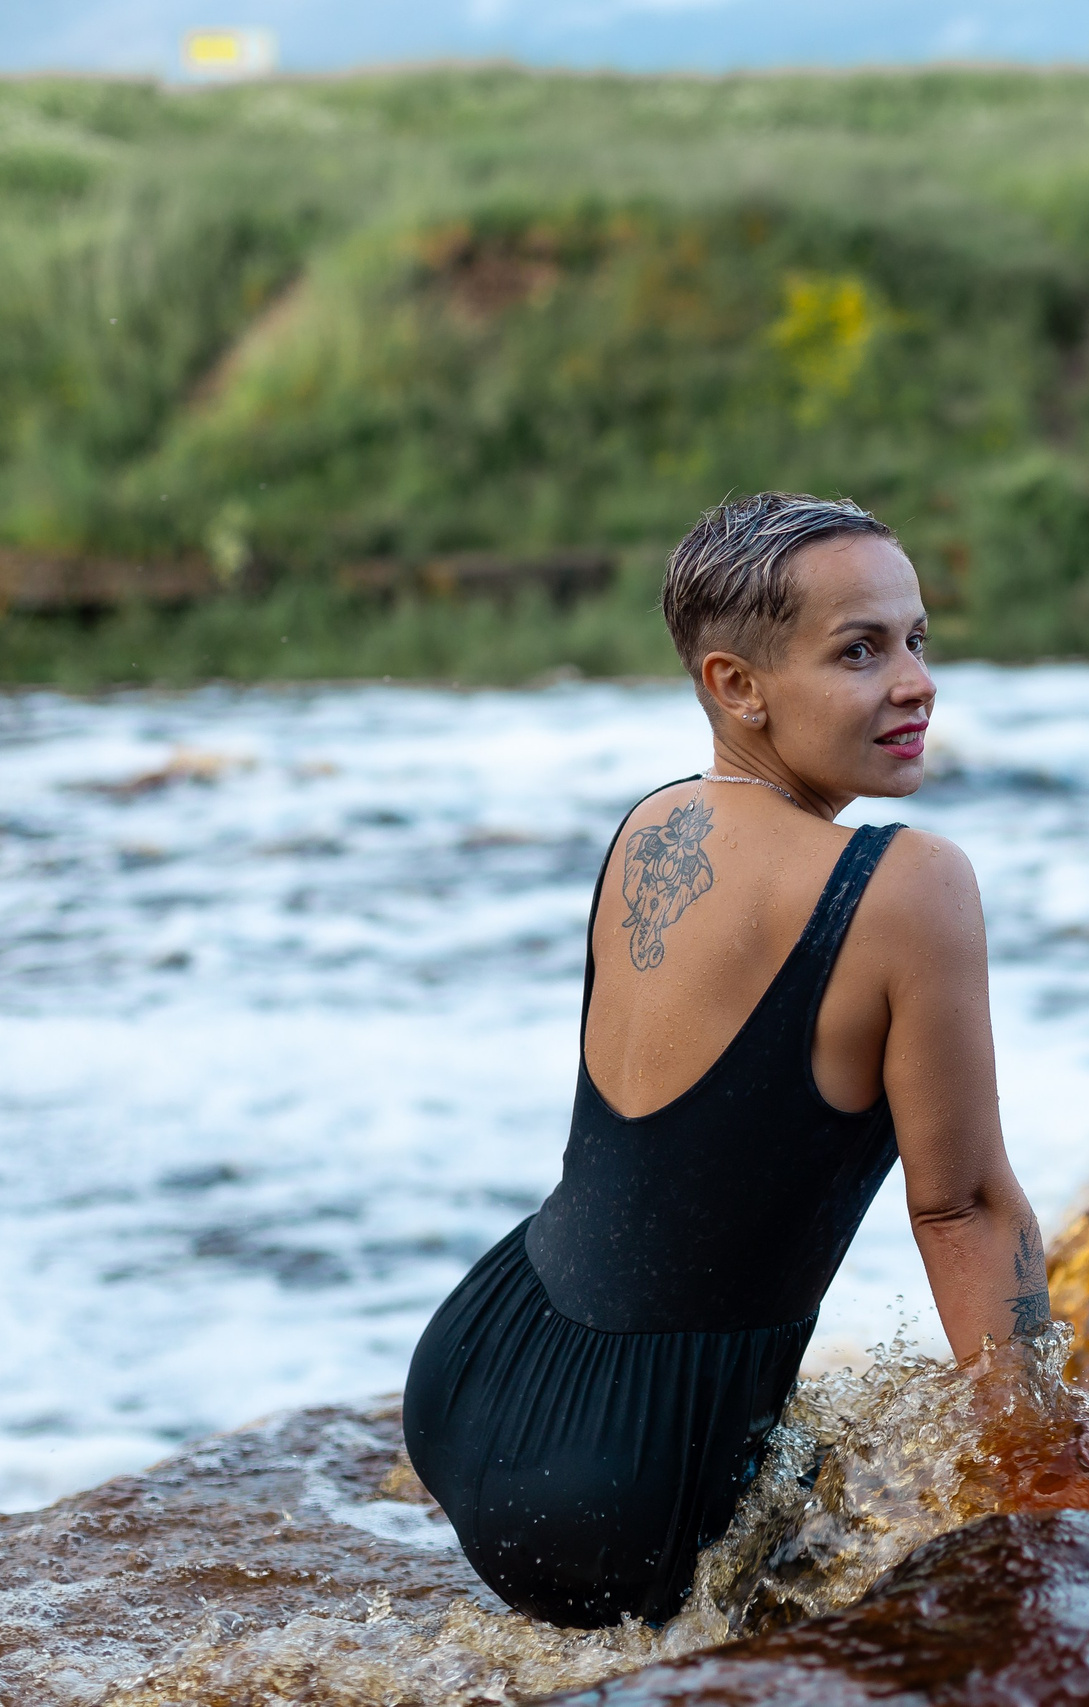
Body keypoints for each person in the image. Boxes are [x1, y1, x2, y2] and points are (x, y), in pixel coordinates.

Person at [402, 492, 1048, 1629]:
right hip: (640, 1481)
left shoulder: (652, 828)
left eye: (915, 639)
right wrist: (1051, 1477)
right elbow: (965, 1211)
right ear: (734, 684)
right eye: (860, 651)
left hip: (476, 1367)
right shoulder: (908, 885)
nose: (915, 682)